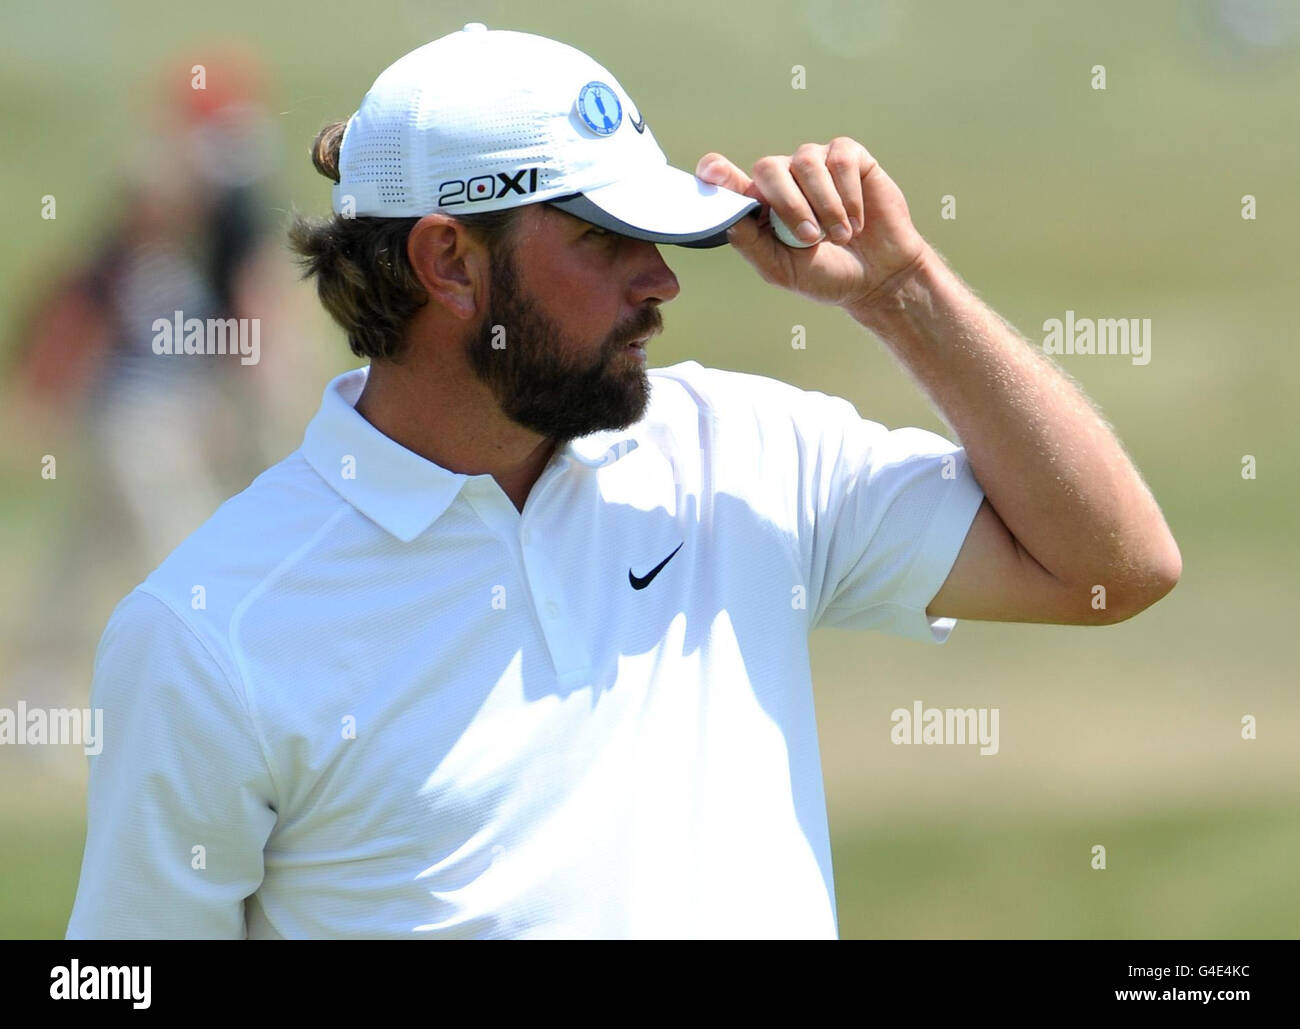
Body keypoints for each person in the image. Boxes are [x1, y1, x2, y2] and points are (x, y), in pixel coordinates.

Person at [66, 25, 1180, 940]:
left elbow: (1112, 568)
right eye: (605, 239)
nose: (660, 280)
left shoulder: (743, 454)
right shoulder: (212, 632)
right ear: (448, 261)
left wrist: (900, 292)